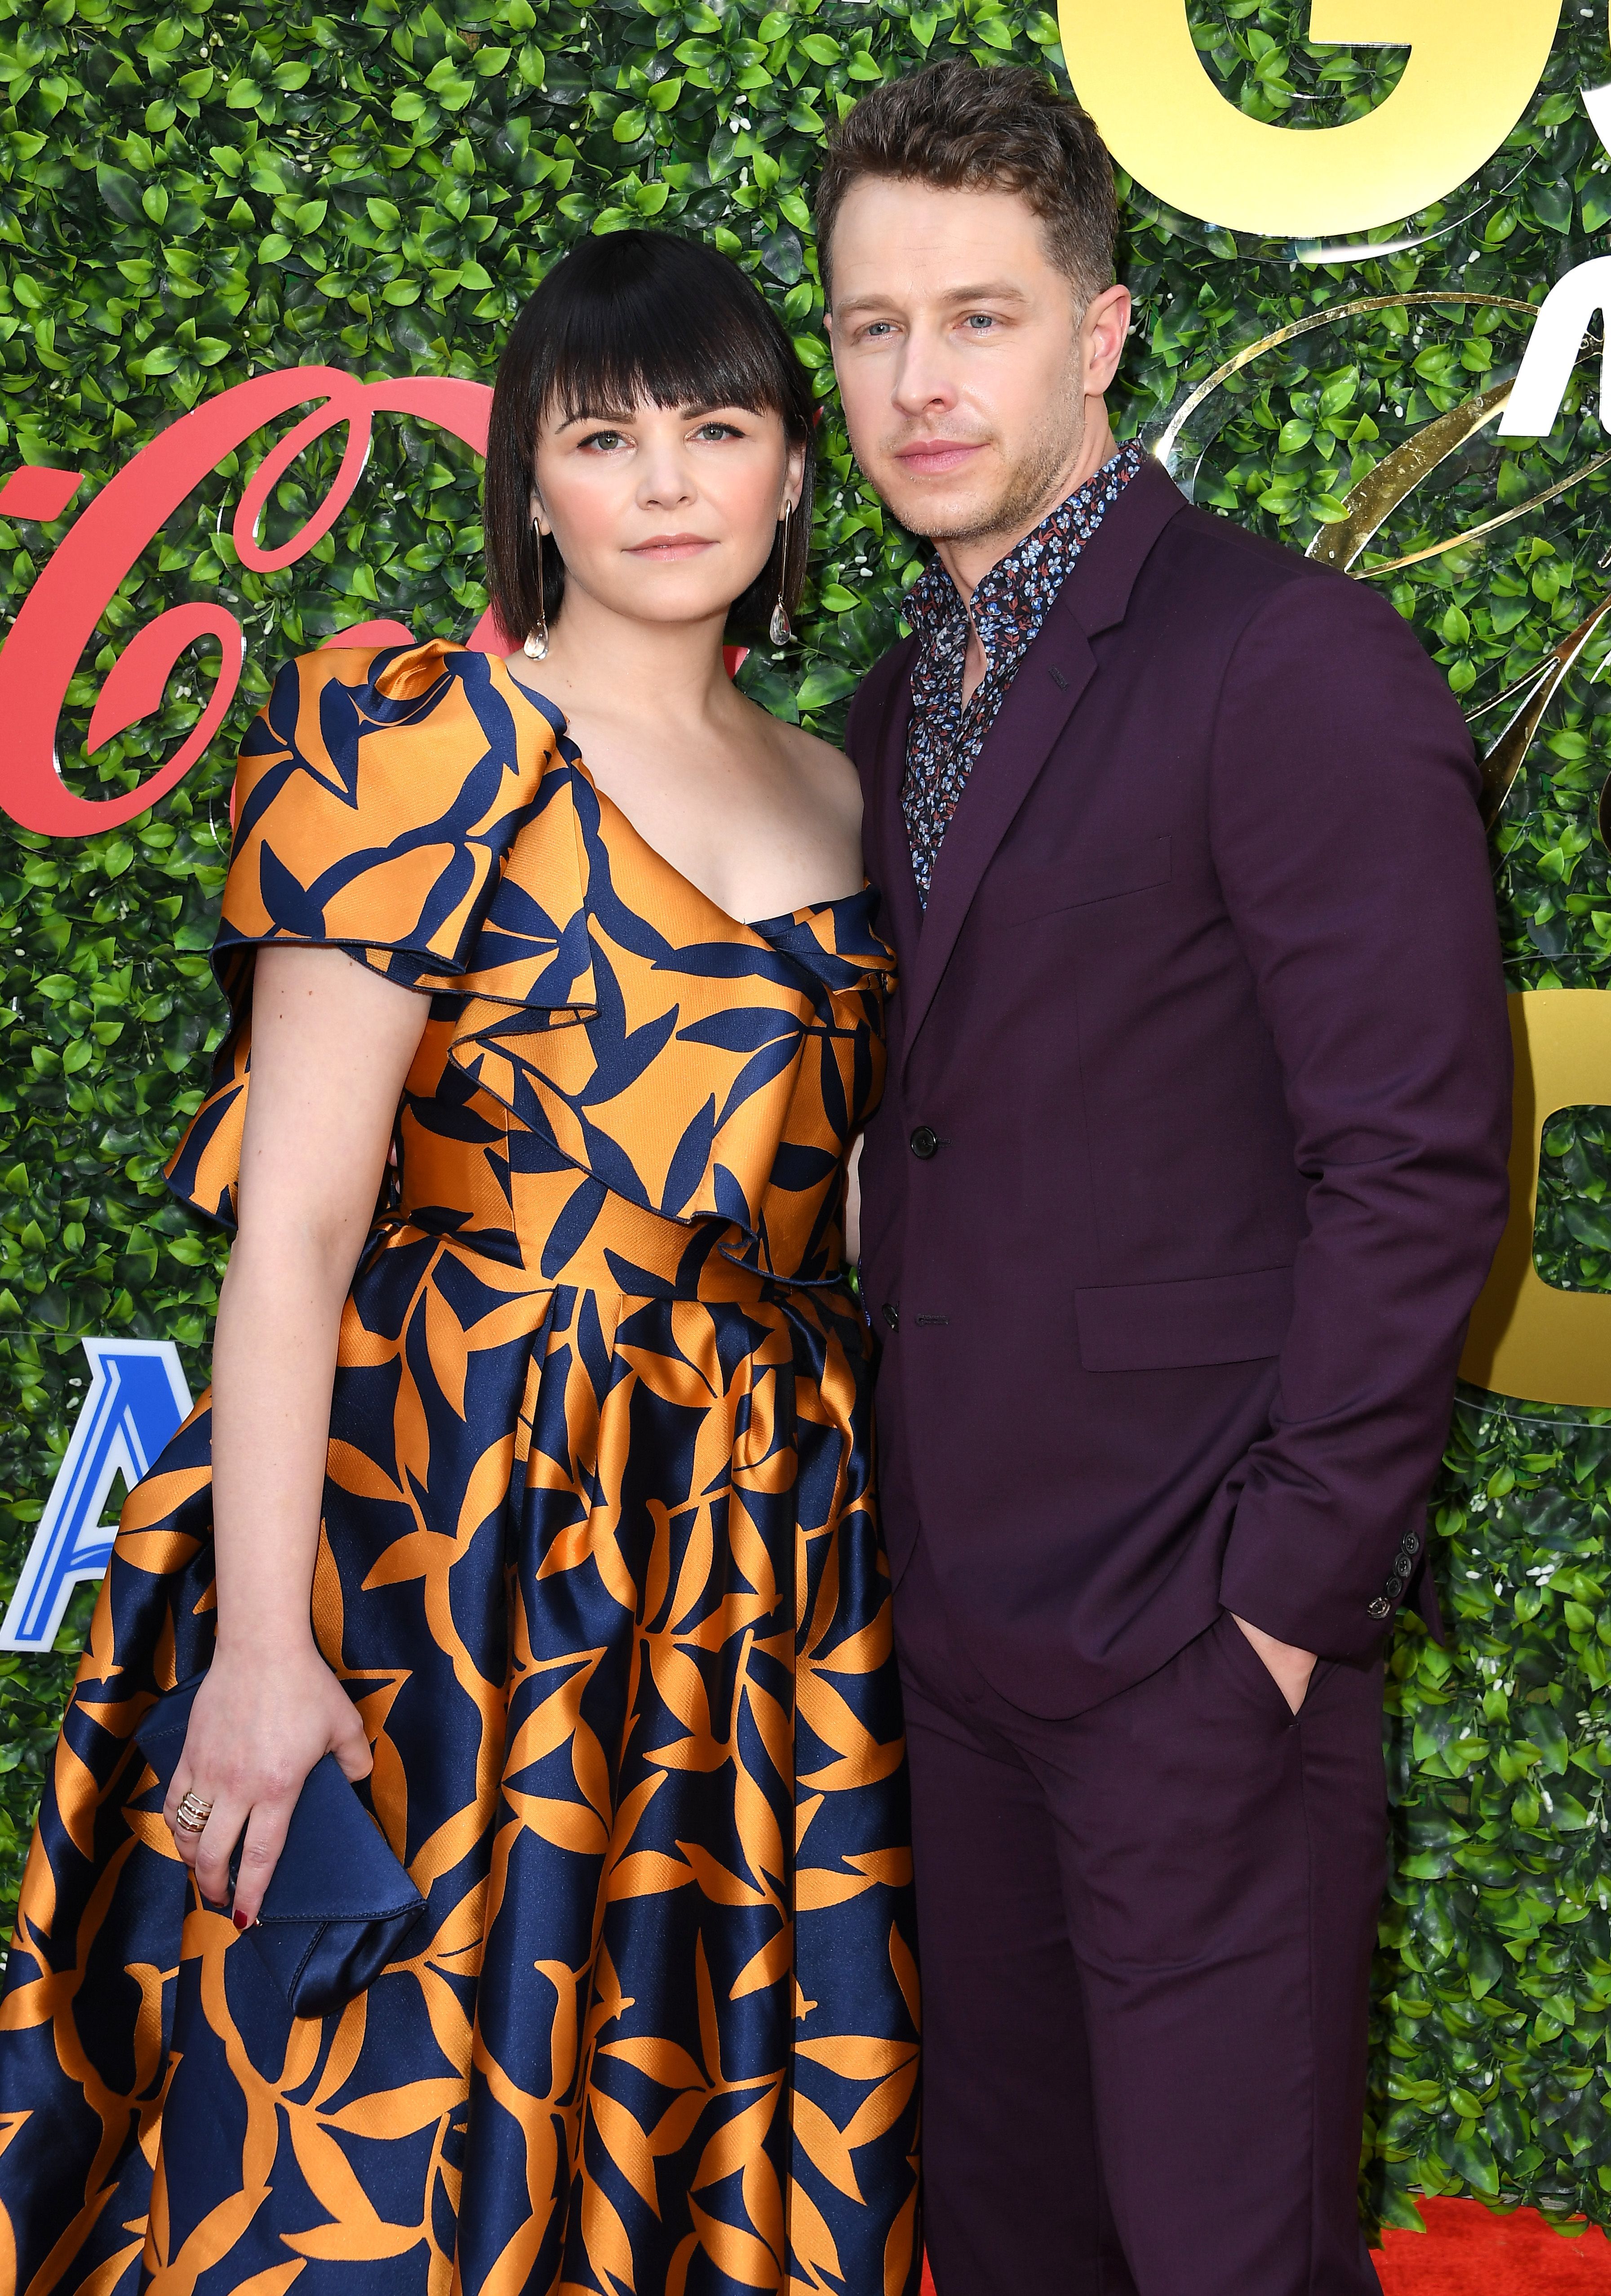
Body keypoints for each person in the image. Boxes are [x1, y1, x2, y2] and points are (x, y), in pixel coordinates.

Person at [0, 229, 920, 2295]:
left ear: (793, 476)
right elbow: (299, 1234)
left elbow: (847, 1201)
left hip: (752, 1546)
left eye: (720, 428)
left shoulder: (857, 789)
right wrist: (255, 1652)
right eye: (607, 438)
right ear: (528, 485)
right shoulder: (420, 744)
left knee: (692, 2098)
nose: (669, 480)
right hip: (454, 1513)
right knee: (370, 2122)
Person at [821, 59, 1513, 2296]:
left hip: (1192, 1654)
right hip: (944, 1631)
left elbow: (1415, 1164)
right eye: (870, 327)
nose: (919, 382)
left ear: (1100, 336)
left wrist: (1276, 1622)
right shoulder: (884, 699)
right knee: (1016, 2247)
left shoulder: (1283, 659)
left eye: (980, 318)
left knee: (1229, 2259)